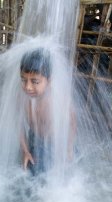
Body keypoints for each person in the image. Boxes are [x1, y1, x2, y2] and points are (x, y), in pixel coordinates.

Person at [19, 48, 76, 176]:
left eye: (35, 81)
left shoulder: (59, 101)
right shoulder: (22, 99)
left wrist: (68, 149)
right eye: (23, 80)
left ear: (49, 81)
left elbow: (71, 124)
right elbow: (19, 125)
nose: (28, 87)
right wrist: (25, 151)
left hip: (55, 143)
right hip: (35, 138)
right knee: (26, 172)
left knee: (57, 175)